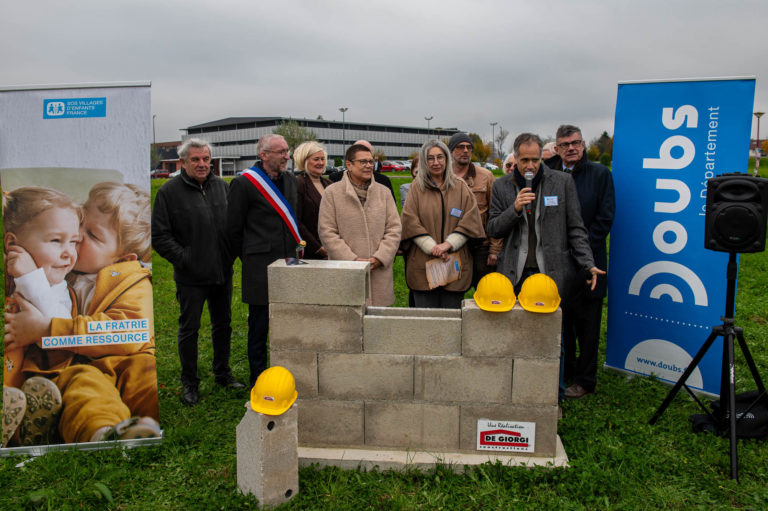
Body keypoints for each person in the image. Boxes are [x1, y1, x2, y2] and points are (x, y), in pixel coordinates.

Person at [4, 183, 161, 444]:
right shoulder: (61, 270)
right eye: (81, 223)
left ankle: (156, 423)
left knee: (145, 374)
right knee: (86, 388)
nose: (77, 235)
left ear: (123, 259)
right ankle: (106, 434)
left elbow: (131, 332)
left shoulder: (133, 280)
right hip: (79, 369)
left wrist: (47, 330)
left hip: (125, 362)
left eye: (93, 235)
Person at [487, 133, 604, 400]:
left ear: (542, 158)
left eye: (535, 160)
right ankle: (514, 393)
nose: (530, 166)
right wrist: (514, 209)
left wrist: (588, 263)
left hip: (550, 272)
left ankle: (553, 396)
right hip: (515, 273)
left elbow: (576, 228)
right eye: (524, 160)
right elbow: (493, 228)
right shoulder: (502, 186)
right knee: (515, 334)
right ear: (515, 158)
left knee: (553, 338)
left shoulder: (562, 182)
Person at [152, 138, 244, 406]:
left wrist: (229, 255)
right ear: (183, 162)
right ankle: (190, 382)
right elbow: (160, 236)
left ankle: (222, 373)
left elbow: (234, 226)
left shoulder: (222, 187)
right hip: (191, 277)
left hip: (222, 272)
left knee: (223, 325)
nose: (202, 164)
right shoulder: (168, 192)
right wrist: (186, 259)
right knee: (189, 329)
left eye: (205, 159)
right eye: (195, 160)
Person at [545, 125, 615, 399]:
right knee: (563, 321)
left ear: (583, 145)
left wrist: (581, 250)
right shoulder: (549, 173)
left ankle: (586, 380)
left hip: (589, 263)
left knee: (588, 325)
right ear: (557, 148)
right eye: (565, 144)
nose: (571, 148)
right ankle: (567, 370)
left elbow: (605, 218)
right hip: (557, 263)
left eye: (576, 143)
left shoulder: (599, 174)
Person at [227, 134, 299, 387]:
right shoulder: (244, 184)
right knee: (259, 325)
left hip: (289, 263)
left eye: (287, 151)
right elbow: (233, 229)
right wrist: (250, 257)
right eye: (281, 152)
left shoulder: (290, 180)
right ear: (264, 155)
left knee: (288, 322)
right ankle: (258, 379)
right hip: (260, 267)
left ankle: (287, 374)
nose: (287, 156)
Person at [401, 140, 485, 308]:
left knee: (452, 317)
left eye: (440, 157)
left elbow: (471, 220)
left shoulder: (461, 187)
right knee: (426, 317)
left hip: (454, 264)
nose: (436, 162)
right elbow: (410, 220)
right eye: (430, 158)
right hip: (423, 265)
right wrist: (432, 247)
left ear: (447, 159)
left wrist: (448, 245)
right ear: (424, 161)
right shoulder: (416, 188)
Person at [318, 143, 402, 306]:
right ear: (349, 164)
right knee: (347, 318)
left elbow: (394, 228)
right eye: (363, 161)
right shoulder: (332, 193)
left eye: (371, 161)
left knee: (378, 320)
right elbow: (327, 231)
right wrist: (351, 260)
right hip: (346, 273)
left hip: (379, 275)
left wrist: (380, 257)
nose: (369, 165)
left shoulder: (384, 192)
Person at [448, 133, 502, 289]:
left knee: (486, 292)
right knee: (453, 292)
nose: (466, 150)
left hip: (481, 248)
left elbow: (495, 214)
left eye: (469, 147)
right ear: (451, 151)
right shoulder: (444, 177)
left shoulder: (486, 176)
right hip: (453, 247)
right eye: (460, 147)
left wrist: (494, 249)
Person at [295, 141, 331, 259]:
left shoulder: (329, 184)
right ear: (304, 161)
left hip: (332, 247)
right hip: (310, 252)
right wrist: (317, 248)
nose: (321, 163)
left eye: (322, 159)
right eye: (316, 159)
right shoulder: (299, 184)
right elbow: (296, 221)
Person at [329, 140, 396, 202]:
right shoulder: (335, 179)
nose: (368, 165)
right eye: (363, 161)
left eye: (370, 160)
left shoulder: (383, 181)